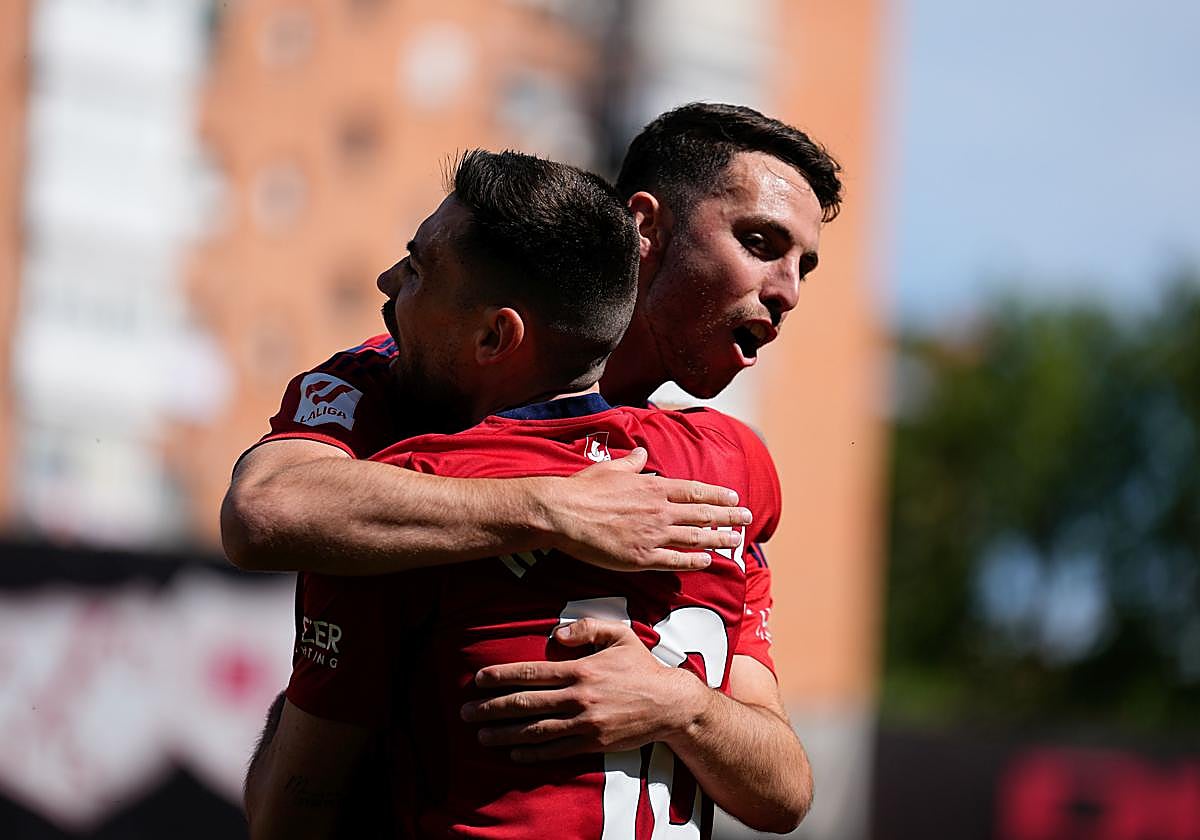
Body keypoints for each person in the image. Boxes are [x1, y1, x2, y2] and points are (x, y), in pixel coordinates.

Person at [228, 103, 842, 832]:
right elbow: (264, 510)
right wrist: (553, 508)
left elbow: (785, 790)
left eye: (801, 264)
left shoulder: (723, 466)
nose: (788, 291)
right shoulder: (401, 374)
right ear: (646, 229)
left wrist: (682, 705)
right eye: (760, 242)